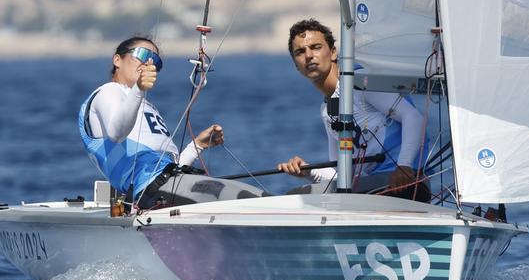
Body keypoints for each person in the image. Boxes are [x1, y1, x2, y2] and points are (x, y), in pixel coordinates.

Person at [79, 36, 265, 209]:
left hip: (169, 185)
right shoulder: (108, 92)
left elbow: (169, 166)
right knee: (248, 201)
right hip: (151, 191)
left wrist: (197, 146)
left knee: (258, 198)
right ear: (117, 60)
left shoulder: (146, 106)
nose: (149, 62)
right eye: (142, 54)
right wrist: (139, 89)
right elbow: (116, 133)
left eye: (156, 61)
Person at [277, 19, 431, 202]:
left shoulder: (360, 81)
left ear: (333, 52)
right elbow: (342, 175)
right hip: (374, 189)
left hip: (405, 182)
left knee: (298, 197)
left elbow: (414, 118)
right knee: (305, 192)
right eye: (300, 52)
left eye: (316, 47)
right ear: (296, 64)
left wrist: (404, 166)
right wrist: (309, 171)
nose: (309, 55)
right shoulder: (327, 109)